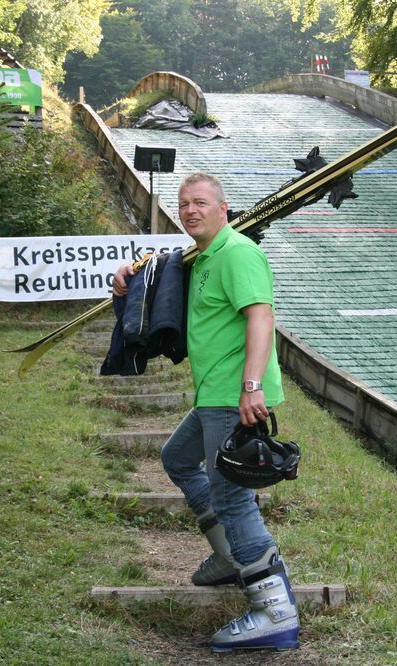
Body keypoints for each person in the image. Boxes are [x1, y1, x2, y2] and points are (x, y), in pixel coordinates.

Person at [113, 173, 299, 652]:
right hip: (212, 394)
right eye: (184, 204)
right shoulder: (201, 257)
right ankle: (230, 556)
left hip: (234, 395)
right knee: (177, 458)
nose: (190, 210)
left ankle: (273, 610)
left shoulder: (238, 253)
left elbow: (261, 317)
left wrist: (251, 386)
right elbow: (160, 284)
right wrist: (126, 281)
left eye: (200, 202)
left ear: (223, 207)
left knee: (234, 498)